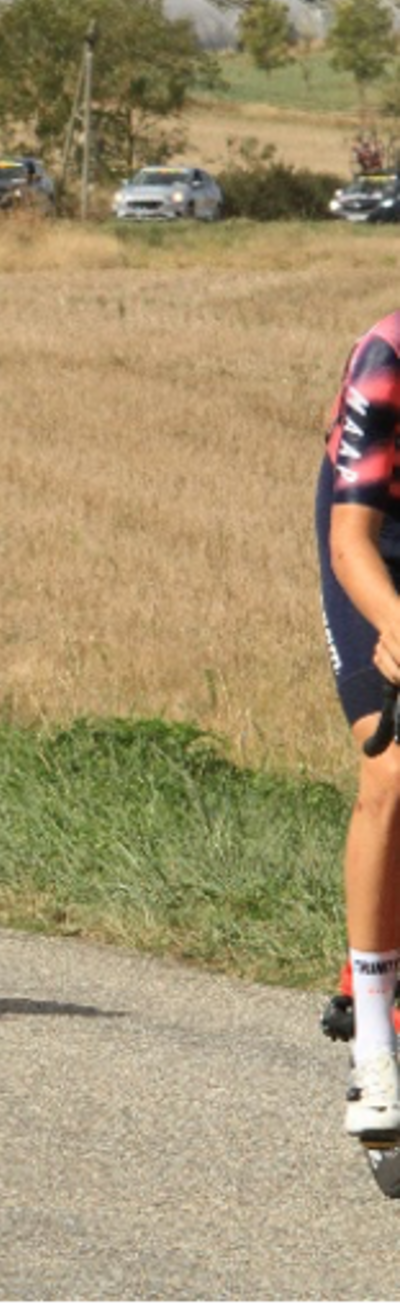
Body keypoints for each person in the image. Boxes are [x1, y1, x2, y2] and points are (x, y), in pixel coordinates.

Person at [317, 305, 400, 1139]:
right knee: (393, 767)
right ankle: (375, 1046)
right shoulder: (387, 356)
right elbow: (352, 543)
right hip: (377, 537)